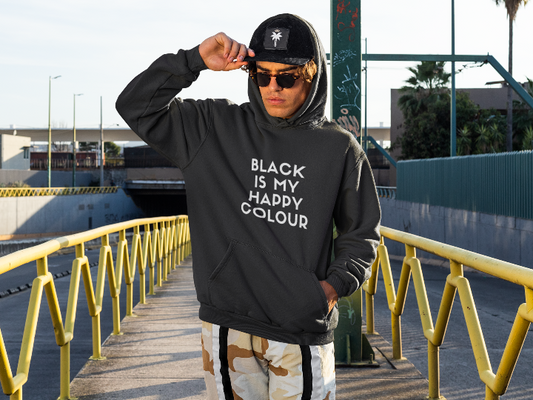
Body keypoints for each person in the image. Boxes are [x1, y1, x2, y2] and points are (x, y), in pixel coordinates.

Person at [116, 13, 381, 400]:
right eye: (262, 75)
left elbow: (362, 235)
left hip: (300, 333)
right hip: (227, 327)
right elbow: (136, 107)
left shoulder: (339, 148)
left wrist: (328, 290)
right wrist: (193, 61)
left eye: (287, 77)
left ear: (312, 76)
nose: (273, 88)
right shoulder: (212, 126)